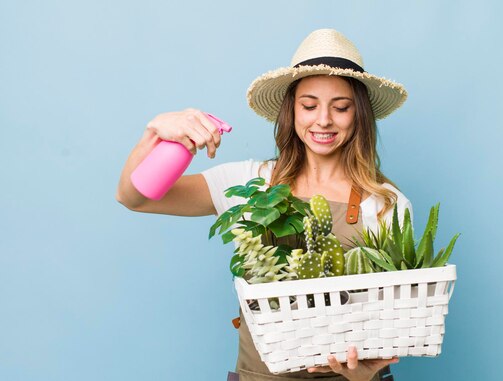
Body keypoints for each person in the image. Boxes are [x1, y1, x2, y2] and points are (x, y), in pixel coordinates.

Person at [117, 29, 412, 381]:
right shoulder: (248, 183)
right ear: (292, 111)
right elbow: (134, 197)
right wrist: (156, 134)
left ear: (358, 114)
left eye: (341, 107)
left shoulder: (385, 203)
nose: (323, 120)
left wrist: (366, 375)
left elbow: (391, 320)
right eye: (309, 105)